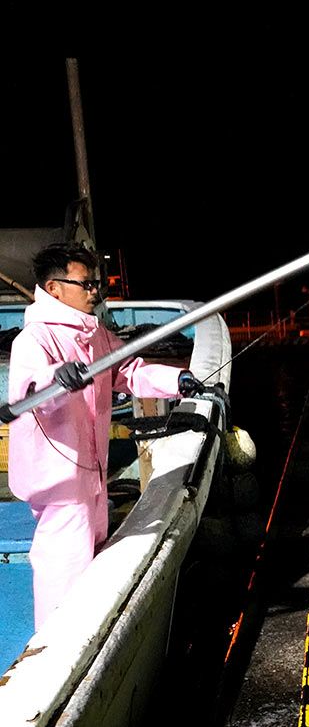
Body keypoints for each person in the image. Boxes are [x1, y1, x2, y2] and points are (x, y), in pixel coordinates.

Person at [5, 242, 206, 629]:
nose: (94, 291)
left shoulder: (94, 335)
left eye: (96, 283)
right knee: (62, 573)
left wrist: (178, 381)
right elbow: (29, 394)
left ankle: (90, 631)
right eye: (85, 283)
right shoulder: (34, 340)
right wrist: (56, 377)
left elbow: (127, 371)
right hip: (61, 487)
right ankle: (58, 641)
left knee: (91, 559)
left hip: (93, 478)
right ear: (54, 289)